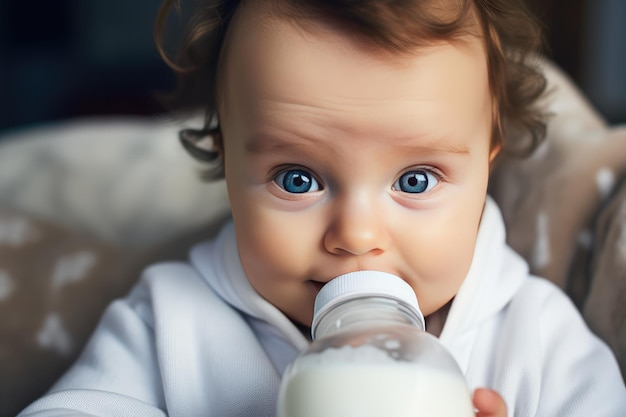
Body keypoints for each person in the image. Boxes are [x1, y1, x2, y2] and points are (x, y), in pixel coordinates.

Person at [17, 0, 626, 416]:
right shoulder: (171, 318)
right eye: (298, 177)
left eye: (415, 179)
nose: (357, 236)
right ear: (228, 167)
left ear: (487, 165)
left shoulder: (534, 333)